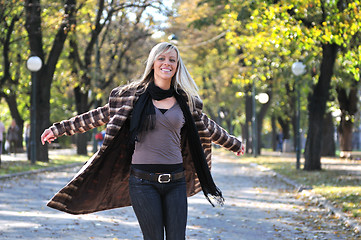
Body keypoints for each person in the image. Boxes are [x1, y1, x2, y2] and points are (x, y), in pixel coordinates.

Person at [41, 42, 245, 240]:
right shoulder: (131, 97)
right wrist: (59, 129)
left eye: (172, 60)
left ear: (177, 66)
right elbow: (99, 115)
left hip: (176, 181)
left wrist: (234, 144)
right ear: (153, 63)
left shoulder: (186, 101)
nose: (167, 63)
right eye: (162, 58)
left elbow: (208, 126)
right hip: (142, 182)